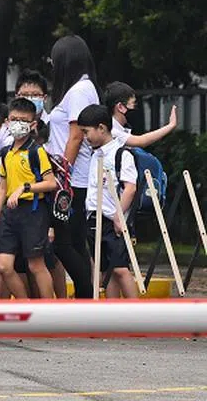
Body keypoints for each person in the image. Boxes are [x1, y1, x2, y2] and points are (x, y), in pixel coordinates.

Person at [46, 34, 98, 299]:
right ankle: (84, 299)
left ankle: (85, 296)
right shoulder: (80, 88)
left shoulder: (78, 91)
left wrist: (63, 174)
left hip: (72, 179)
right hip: (72, 176)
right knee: (75, 242)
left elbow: (76, 135)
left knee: (64, 243)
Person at [0, 98, 59, 300]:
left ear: (33, 124)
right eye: (13, 119)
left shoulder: (36, 151)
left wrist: (25, 187)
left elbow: (51, 183)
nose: (17, 123)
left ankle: (47, 311)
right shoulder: (5, 153)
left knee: (35, 264)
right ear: (6, 122)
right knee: (3, 265)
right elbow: (2, 186)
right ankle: (25, 303)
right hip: (10, 213)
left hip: (33, 211)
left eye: (23, 119)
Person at [79, 104, 141, 299]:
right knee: (107, 270)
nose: (84, 137)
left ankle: (139, 315)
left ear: (101, 128)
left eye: (86, 131)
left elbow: (130, 187)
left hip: (113, 220)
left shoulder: (121, 154)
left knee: (121, 269)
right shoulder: (95, 153)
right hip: (95, 218)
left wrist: (118, 216)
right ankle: (112, 316)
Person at [102, 81, 179, 148]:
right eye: (132, 103)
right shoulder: (112, 131)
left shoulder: (118, 129)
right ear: (120, 107)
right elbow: (141, 141)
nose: (135, 107)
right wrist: (170, 125)